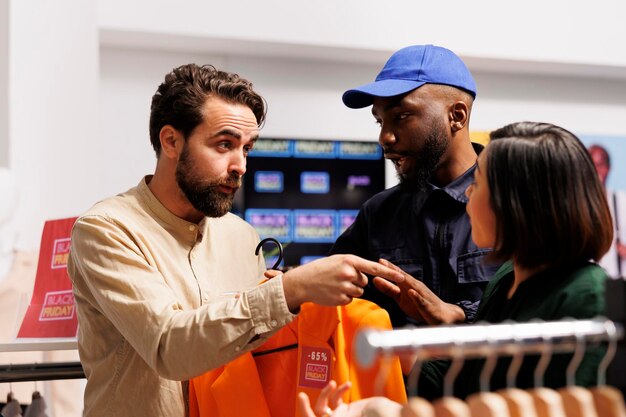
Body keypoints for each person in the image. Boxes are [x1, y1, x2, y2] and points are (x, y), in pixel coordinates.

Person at [67, 64, 404, 417]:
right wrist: (289, 290)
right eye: (224, 145)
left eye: (246, 148)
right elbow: (168, 347)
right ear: (171, 141)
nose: (240, 165)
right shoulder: (105, 230)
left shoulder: (241, 236)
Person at [417, 121, 613, 399]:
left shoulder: (589, 297)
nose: (468, 193)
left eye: (477, 182)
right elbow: (472, 378)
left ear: (518, 202)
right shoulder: (506, 277)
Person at [330, 44, 501, 329]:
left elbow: (543, 307)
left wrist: (461, 314)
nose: (385, 137)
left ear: (456, 116)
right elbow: (334, 296)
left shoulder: (514, 202)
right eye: (380, 121)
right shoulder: (378, 213)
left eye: (401, 117)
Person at [588, 144, 626, 278]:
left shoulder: (622, 201)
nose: (596, 170)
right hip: (587, 282)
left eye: (600, 165)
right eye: (591, 166)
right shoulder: (576, 205)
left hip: (617, 282)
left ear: (608, 168)